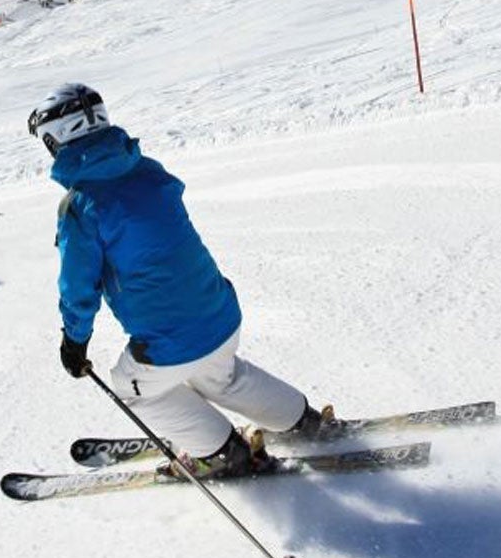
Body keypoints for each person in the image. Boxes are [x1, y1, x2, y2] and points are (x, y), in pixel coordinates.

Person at [29, 82, 327, 478]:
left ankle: (220, 452)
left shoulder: (81, 205)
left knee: (133, 391)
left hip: (168, 343)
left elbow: (79, 288)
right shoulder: (148, 169)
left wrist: (74, 341)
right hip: (220, 313)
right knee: (221, 376)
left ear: (59, 139)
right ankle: (300, 420)